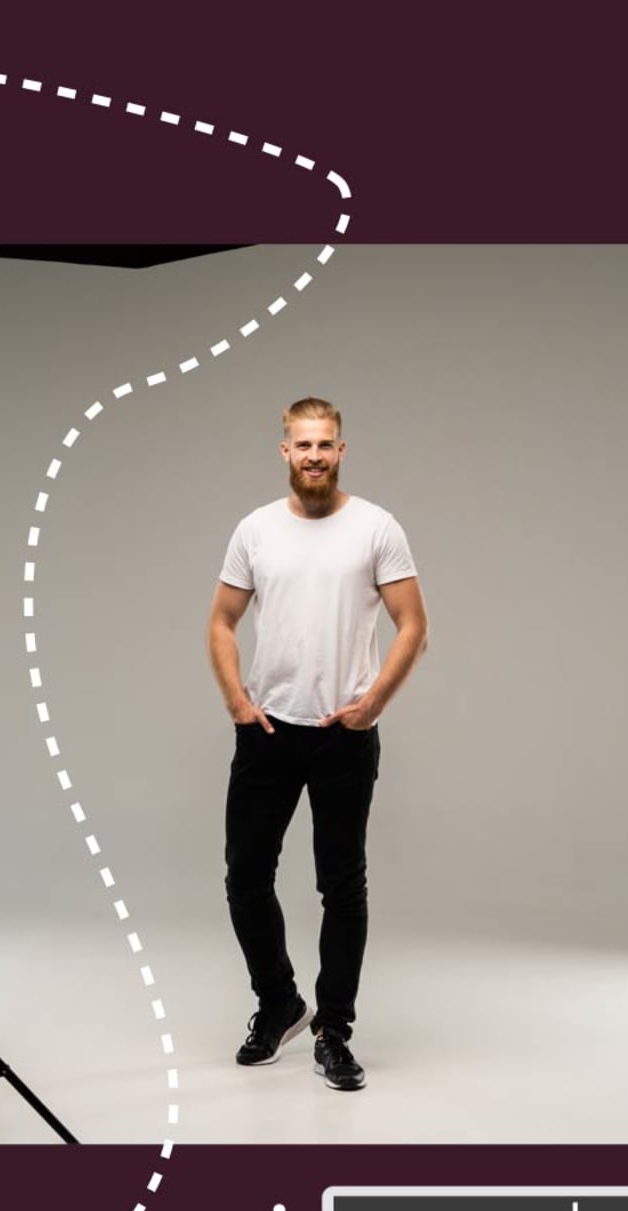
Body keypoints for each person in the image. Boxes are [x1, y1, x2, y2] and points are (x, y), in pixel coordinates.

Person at [208, 397, 428, 1092]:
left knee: (342, 885)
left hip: (343, 736)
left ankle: (333, 1030)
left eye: (325, 445)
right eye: (302, 445)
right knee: (245, 876)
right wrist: (236, 700)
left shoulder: (376, 528)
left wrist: (373, 706)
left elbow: (413, 624)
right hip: (268, 729)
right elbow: (220, 621)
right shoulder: (255, 530)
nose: (313, 456)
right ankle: (279, 1002)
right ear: (283, 451)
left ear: (341, 450)